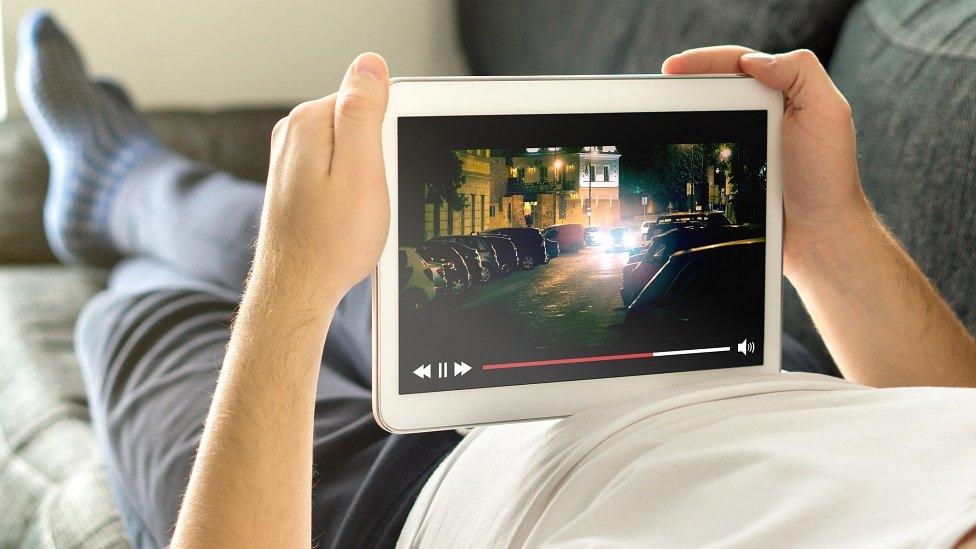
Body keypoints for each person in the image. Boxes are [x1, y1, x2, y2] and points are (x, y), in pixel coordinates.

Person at [15, 11, 976, 549]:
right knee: (321, 236)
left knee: (150, 318)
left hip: (439, 500)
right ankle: (125, 184)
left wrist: (291, 294)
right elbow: (948, 429)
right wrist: (827, 229)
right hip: (749, 364)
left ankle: (124, 212)